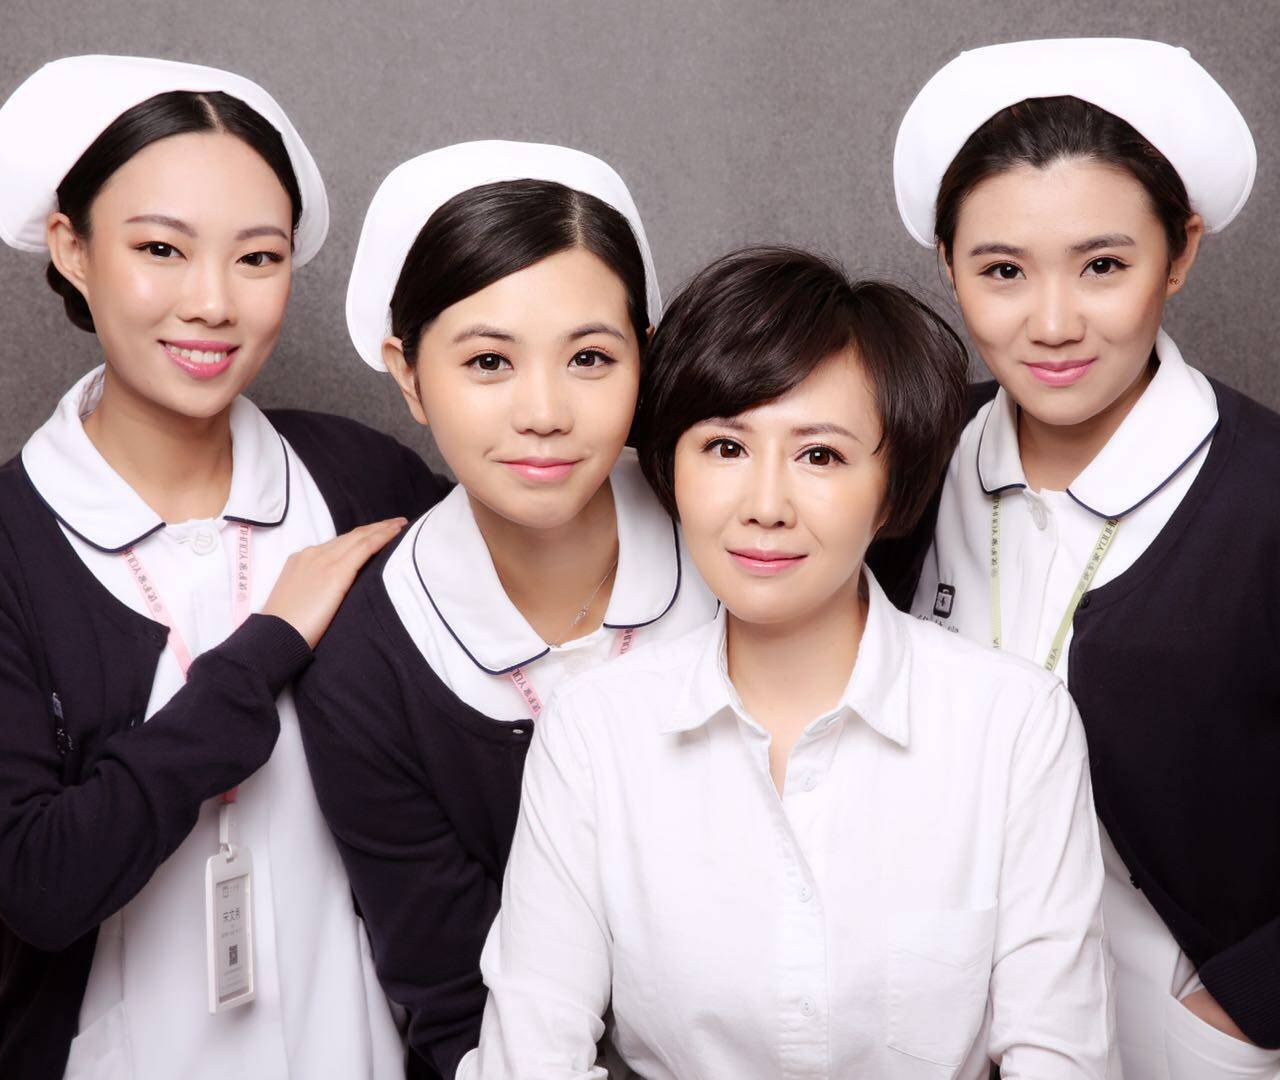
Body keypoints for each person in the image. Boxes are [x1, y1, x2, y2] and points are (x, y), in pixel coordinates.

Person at [460, 246, 1113, 1079]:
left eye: (820, 456)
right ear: (670, 469)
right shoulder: (596, 731)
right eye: (725, 448)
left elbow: (1059, 1057)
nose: (765, 506)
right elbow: (530, 1052)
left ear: (893, 489)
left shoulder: (1013, 724)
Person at [0, 55, 445, 1080]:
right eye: (161, 248)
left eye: (257, 257)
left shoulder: (361, 480)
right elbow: (40, 883)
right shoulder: (12, 544)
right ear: (71, 248)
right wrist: (264, 650)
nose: (211, 302)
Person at [877, 37, 1279, 1078]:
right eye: (1002, 271)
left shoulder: (1262, 492)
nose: (1052, 323)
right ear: (947, 265)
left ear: (1179, 254)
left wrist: (1244, 1000)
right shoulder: (900, 458)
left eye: (1103, 265)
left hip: (1170, 1028)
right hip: (929, 1025)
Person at [294, 140, 717, 1079]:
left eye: (591, 358)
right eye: (489, 361)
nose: (544, 411)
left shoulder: (744, 540)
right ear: (408, 374)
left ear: (646, 356)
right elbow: (452, 1000)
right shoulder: (369, 661)